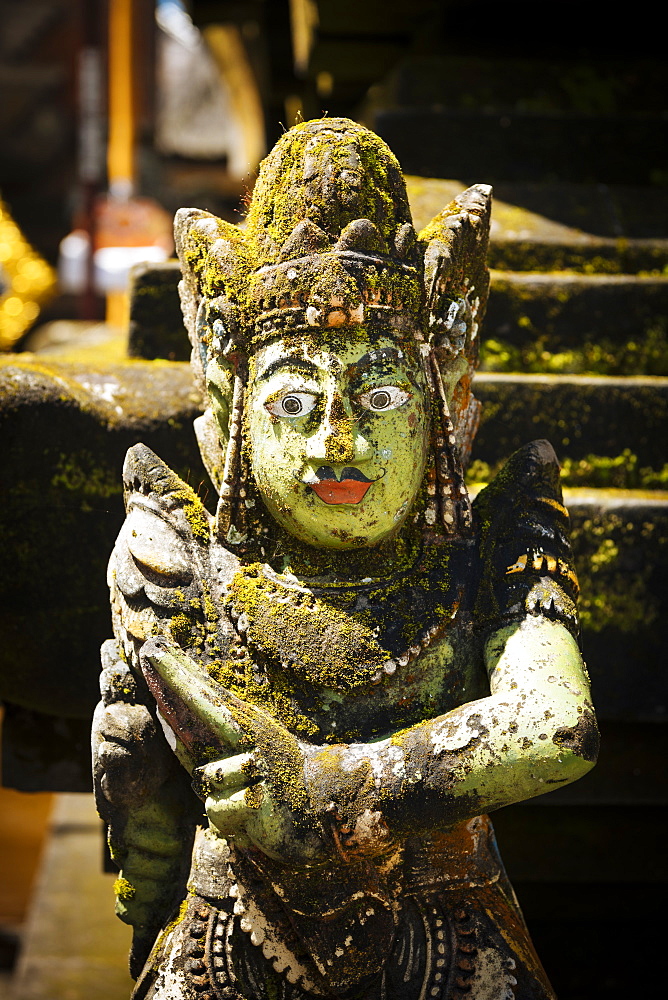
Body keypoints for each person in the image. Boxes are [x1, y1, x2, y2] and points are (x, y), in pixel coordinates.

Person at [93, 118, 598, 1000]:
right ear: (233, 406)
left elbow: (557, 724)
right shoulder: (182, 567)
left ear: (441, 396)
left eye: (380, 394)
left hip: (450, 942)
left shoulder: (494, 549)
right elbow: (153, 853)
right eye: (294, 401)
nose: (338, 439)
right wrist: (134, 792)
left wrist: (341, 792)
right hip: (229, 943)